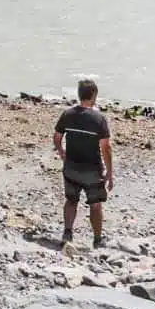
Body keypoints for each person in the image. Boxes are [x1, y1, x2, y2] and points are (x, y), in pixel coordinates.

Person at [53, 78, 114, 248]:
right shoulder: (99, 119)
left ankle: (67, 233)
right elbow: (106, 147)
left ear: (79, 95)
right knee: (95, 205)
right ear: (94, 95)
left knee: (71, 200)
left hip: (71, 166)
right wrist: (109, 172)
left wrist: (62, 152)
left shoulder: (68, 114)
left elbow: (57, 138)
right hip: (92, 170)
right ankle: (97, 239)